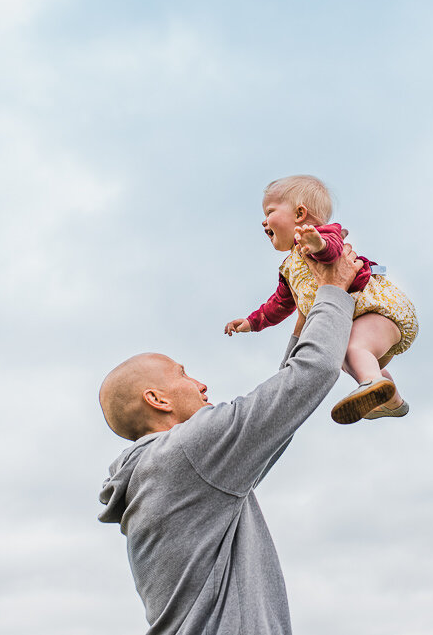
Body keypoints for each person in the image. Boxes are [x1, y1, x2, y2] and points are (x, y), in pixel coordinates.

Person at [98, 244, 363, 635]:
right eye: (184, 374)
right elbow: (312, 374)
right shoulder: (186, 453)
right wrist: (334, 290)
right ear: (158, 400)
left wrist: (306, 313)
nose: (201, 383)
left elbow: (278, 421)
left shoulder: (164, 473)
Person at [224, 175, 418, 424]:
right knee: (341, 357)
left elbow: (333, 250)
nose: (263, 221)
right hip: (360, 325)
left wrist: (318, 244)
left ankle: (371, 383)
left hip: (381, 312)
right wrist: (253, 322)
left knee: (352, 349)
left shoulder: (324, 235)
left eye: (270, 211)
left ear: (299, 213)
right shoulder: (288, 268)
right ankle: (388, 396)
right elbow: (280, 303)